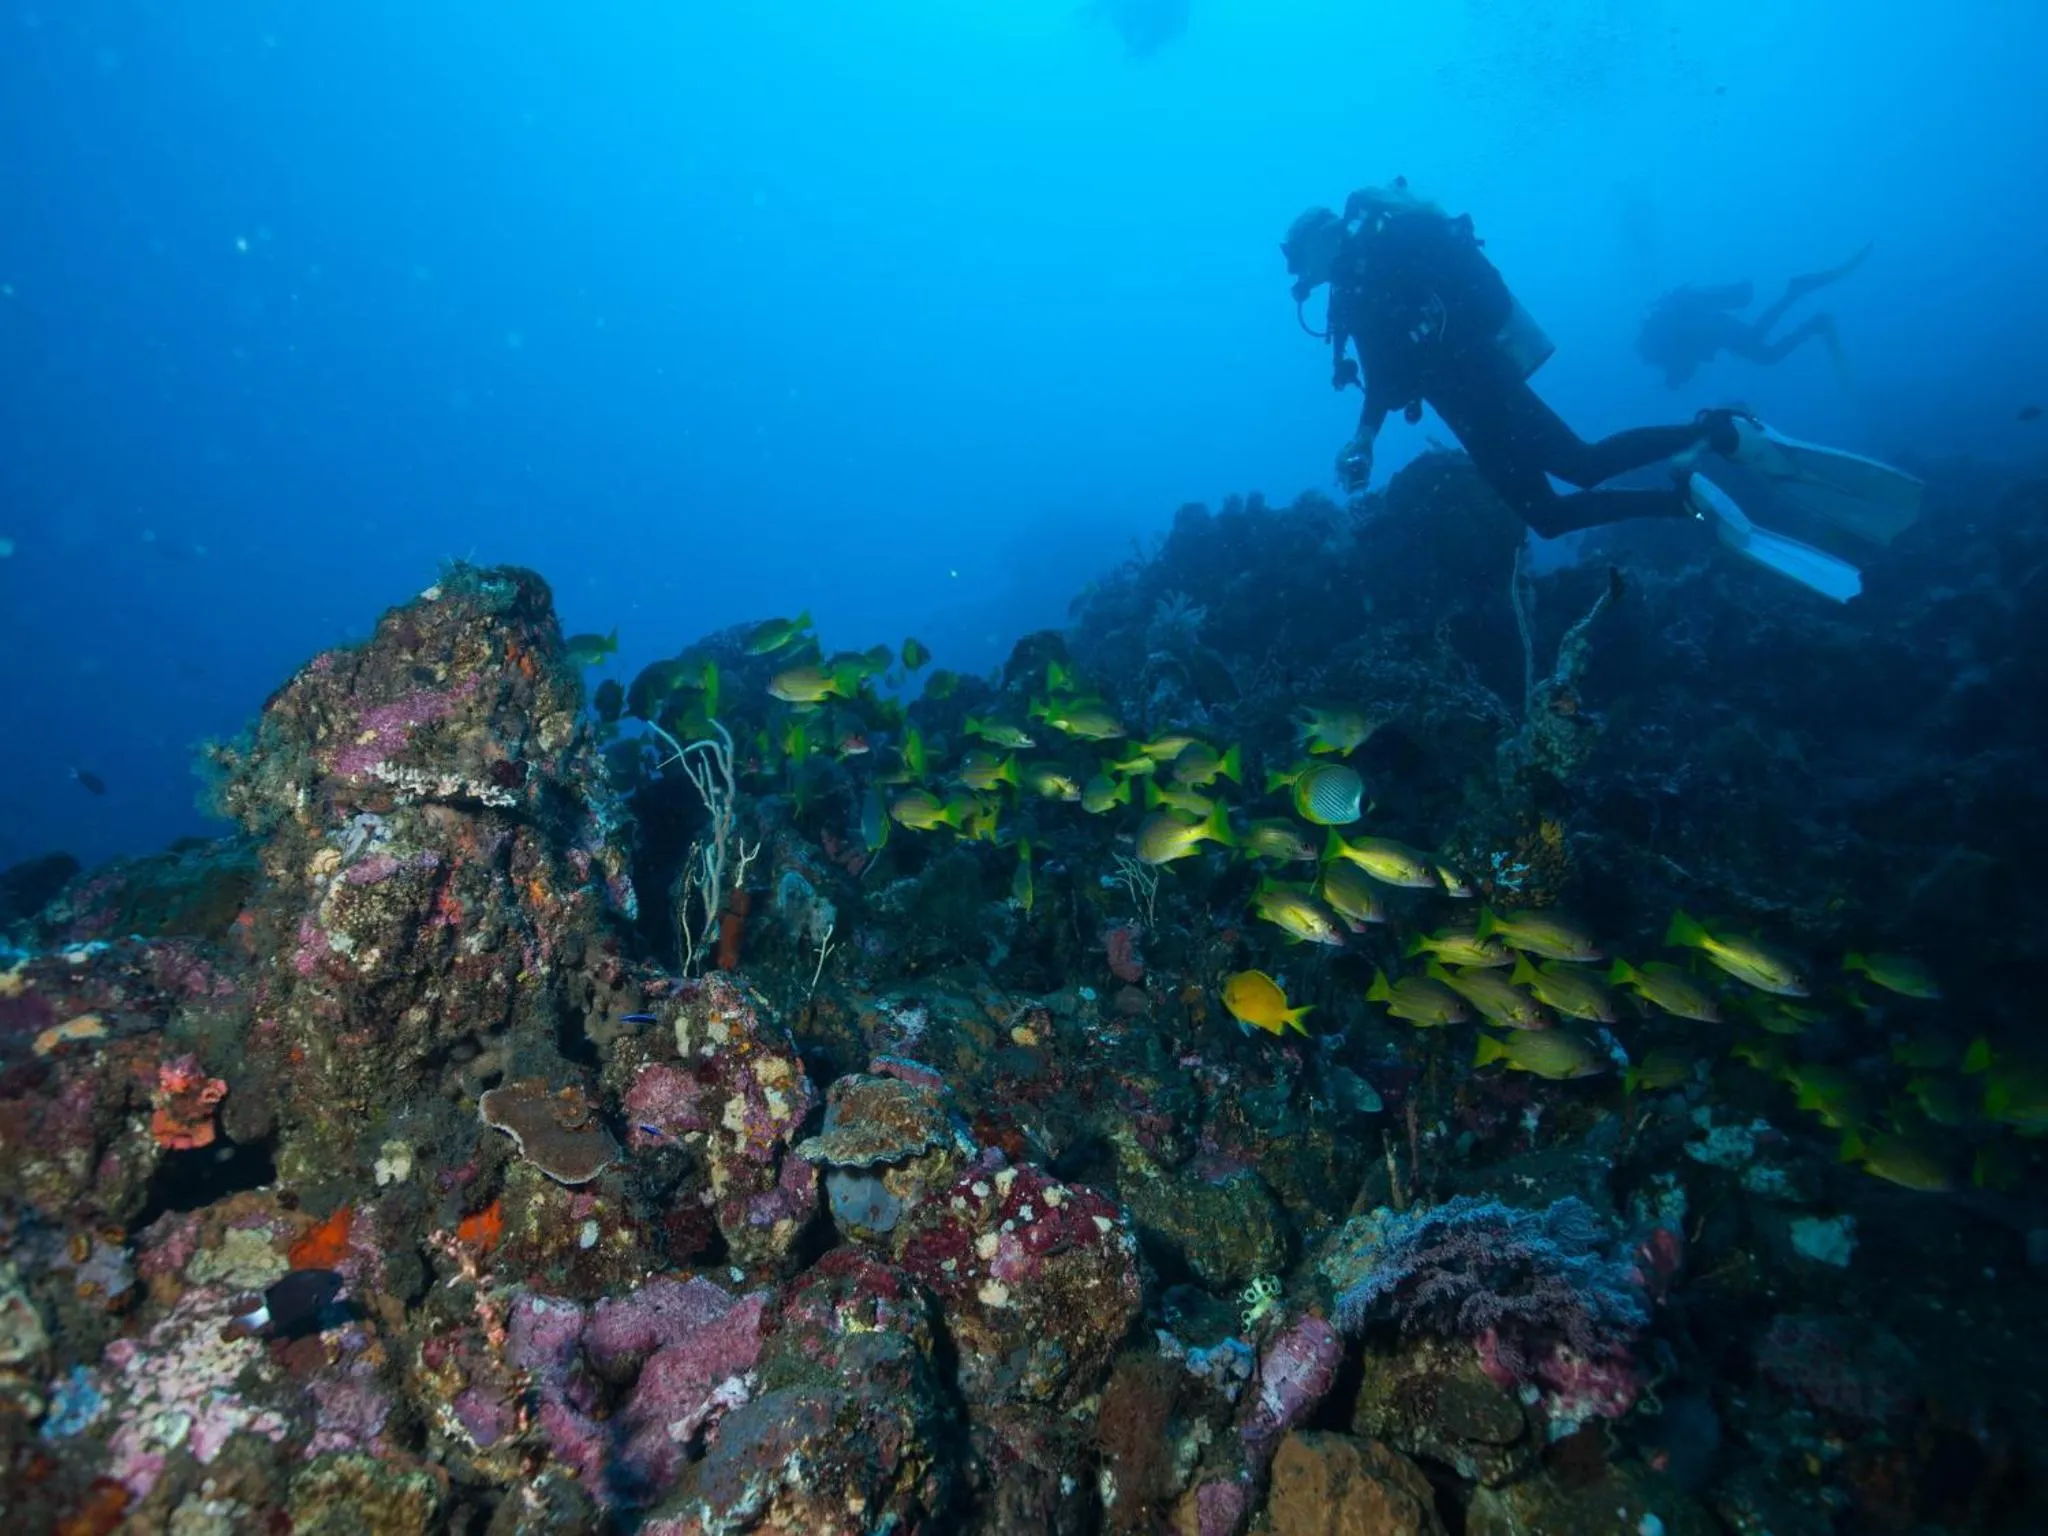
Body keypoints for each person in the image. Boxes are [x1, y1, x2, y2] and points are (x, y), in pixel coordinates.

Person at [1283, 182, 1737, 539]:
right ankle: (1680, 504)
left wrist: (1448, 345)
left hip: (1482, 375)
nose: (1298, 274)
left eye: (1297, 257)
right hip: (1456, 404)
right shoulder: (1349, 296)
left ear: (1322, 237)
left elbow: (1477, 297)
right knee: (1547, 517)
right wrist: (1365, 438)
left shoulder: (1388, 246)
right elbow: (1383, 378)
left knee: (1582, 466)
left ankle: (1712, 429)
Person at [1636, 243, 1871, 389]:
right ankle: (1807, 313)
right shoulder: (1665, 352)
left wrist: (1676, 377)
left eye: (1683, 378)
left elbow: (1689, 354)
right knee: (1764, 352)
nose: (1689, 377)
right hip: (1713, 328)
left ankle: (1802, 303)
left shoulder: (1669, 354)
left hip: (1712, 328)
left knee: (1761, 347)